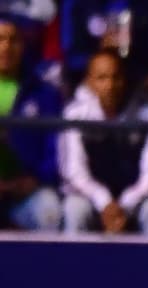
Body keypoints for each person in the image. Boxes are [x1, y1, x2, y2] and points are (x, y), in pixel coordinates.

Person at [58, 49, 148, 236]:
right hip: (93, 199)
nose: (110, 85)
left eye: (116, 77)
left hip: (135, 200)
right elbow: (74, 171)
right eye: (102, 78)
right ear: (89, 82)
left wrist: (125, 204)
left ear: (125, 80)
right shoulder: (75, 114)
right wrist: (104, 202)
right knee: (74, 207)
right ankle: (74, 265)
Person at [0, 15, 61, 232]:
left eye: (13, 40)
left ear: (24, 45)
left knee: (49, 209)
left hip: (26, 189)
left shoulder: (45, 93)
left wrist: (35, 179)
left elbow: (55, 148)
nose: (6, 47)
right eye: (0, 39)